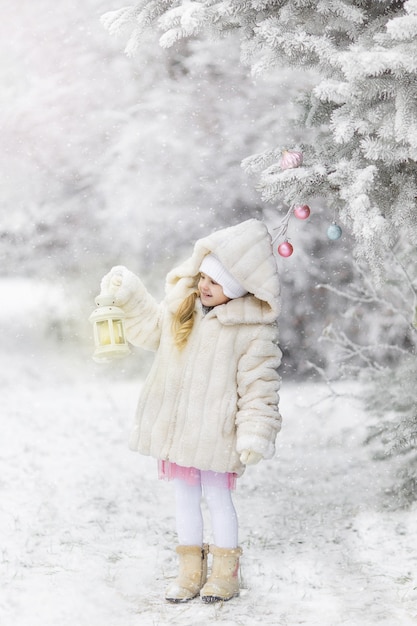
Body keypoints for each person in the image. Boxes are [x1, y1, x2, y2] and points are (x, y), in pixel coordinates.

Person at [99, 218, 282, 603]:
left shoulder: (251, 332)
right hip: (181, 431)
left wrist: (255, 432)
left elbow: (259, 388)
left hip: (216, 433)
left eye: (215, 283)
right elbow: (150, 329)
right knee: (184, 496)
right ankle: (189, 572)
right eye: (203, 277)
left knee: (218, 499)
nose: (204, 286)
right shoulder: (183, 309)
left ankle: (224, 574)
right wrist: (131, 295)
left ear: (235, 289)